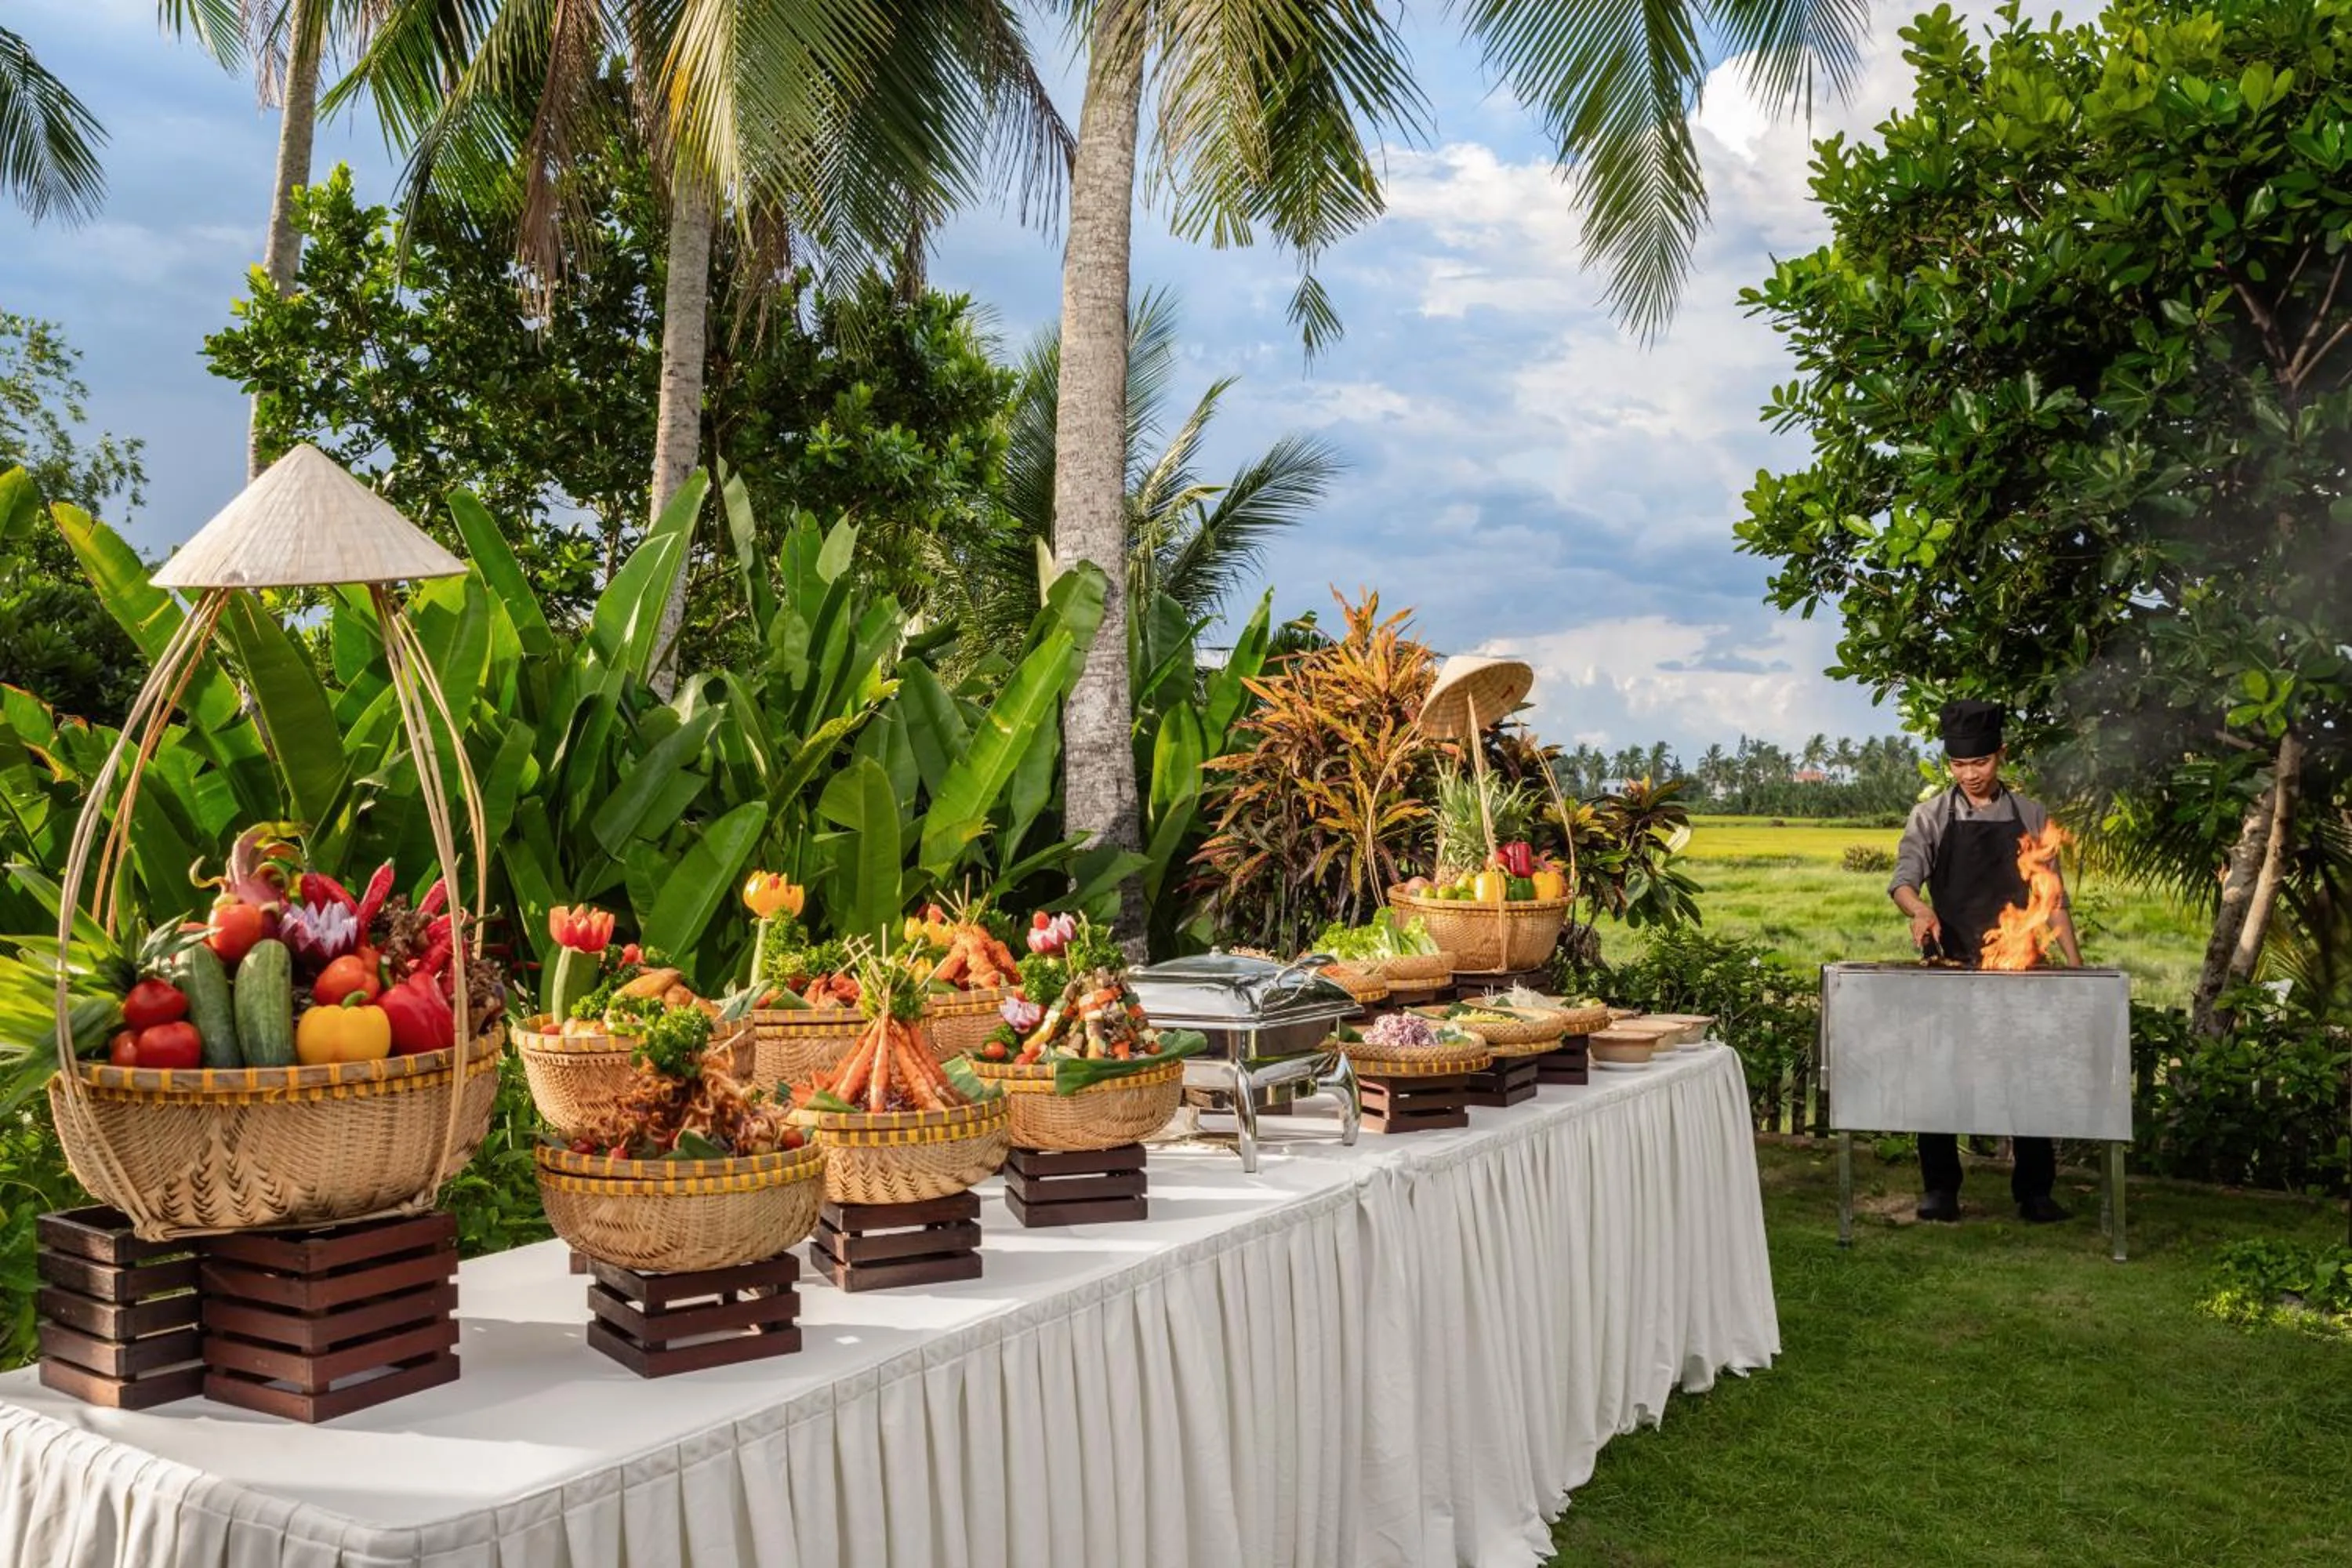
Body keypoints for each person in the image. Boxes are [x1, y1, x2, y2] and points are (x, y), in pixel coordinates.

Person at [1887, 699, 2084, 1225]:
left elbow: (2055, 900)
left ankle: (2035, 1191)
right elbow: (1904, 881)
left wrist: (2077, 972)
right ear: (1949, 763)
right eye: (1959, 765)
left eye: (1981, 763)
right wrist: (1919, 908)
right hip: (1953, 968)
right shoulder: (1930, 816)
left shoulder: (2031, 815)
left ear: (2001, 755)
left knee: (2029, 1078)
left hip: (2021, 968)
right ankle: (1940, 1188)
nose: (1971, 775)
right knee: (1941, 1077)